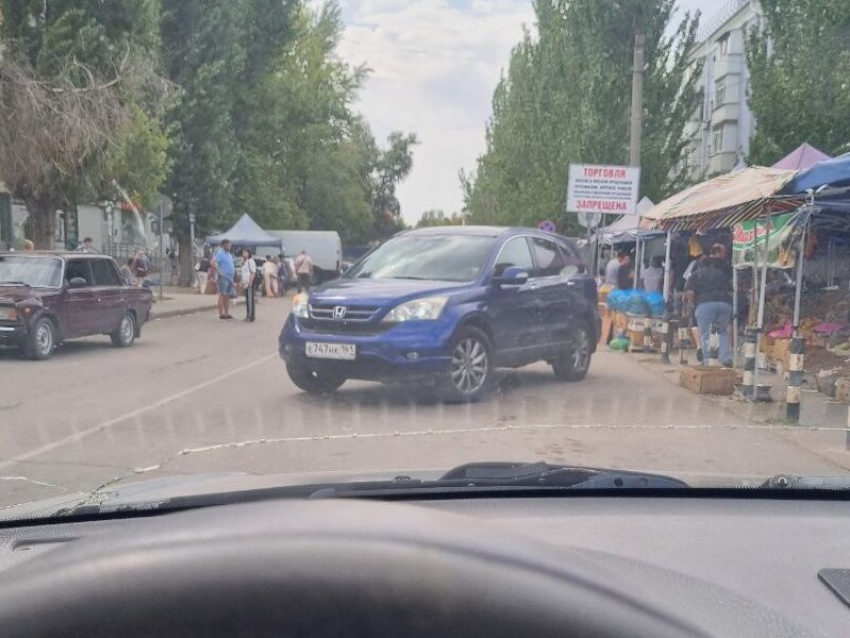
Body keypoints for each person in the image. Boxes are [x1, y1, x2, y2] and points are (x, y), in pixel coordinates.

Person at [685, 256, 733, 367]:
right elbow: (730, 290)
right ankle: (726, 358)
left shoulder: (695, 275)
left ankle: (707, 361)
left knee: (705, 334)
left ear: (699, 265)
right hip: (724, 304)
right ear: (711, 264)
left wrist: (691, 306)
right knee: (722, 332)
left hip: (705, 304)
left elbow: (690, 293)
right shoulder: (720, 274)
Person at [214, 239, 236, 320]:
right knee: (222, 295)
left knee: (227, 295)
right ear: (223, 246)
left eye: (230, 245)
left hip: (230, 278)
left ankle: (226, 313)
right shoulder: (220, 254)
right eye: (228, 245)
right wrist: (219, 271)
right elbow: (212, 262)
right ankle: (221, 314)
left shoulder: (229, 254)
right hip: (223, 277)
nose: (229, 247)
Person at [240, 247, 257, 322]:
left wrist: (250, 282)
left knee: (250, 300)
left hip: (249, 283)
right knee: (247, 300)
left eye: (245, 253)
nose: (244, 254)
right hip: (245, 283)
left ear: (249, 253)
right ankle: (248, 315)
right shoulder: (245, 262)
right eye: (243, 253)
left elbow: (253, 272)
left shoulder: (251, 261)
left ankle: (251, 316)